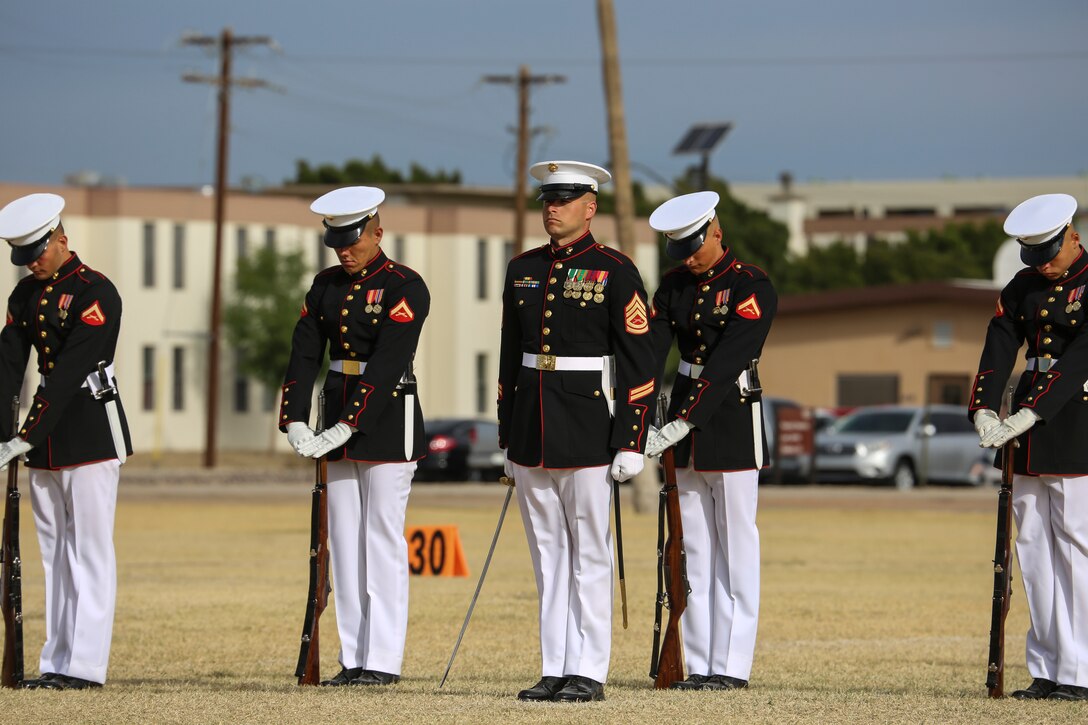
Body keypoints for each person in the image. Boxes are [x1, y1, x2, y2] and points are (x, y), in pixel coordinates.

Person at [497, 160, 656, 702]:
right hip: (531, 428)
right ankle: (555, 665)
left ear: (590, 207)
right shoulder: (522, 268)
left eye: (563, 200)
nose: (552, 208)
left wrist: (632, 439)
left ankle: (588, 669)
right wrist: (506, 435)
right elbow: (507, 359)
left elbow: (640, 361)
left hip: (588, 425)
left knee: (590, 554)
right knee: (547, 556)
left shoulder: (615, 270)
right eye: (547, 199)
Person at [279, 186, 429, 687]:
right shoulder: (324, 286)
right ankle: (354, 655)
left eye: (354, 239)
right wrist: (295, 418)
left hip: (386, 420)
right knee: (344, 542)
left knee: (381, 540)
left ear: (378, 232)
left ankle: (382, 659)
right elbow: (304, 353)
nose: (345, 250)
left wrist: (348, 424)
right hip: (336, 416)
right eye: (336, 241)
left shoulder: (405, 286)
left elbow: (387, 364)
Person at [643, 191, 777, 691]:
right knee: (692, 545)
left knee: (737, 545)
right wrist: (635, 409)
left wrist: (687, 418)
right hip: (682, 412)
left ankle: (732, 664)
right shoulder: (674, 284)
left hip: (730, 415)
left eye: (695, 245)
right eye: (680, 249)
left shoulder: (750, 285)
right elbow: (653, 348)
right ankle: (696, 661)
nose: (689, 257)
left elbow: (728, 361)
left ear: (716, 231)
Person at [0, 192, 132, 690]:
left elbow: (69, 373)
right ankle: (55, 662)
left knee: (90, 550)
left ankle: (85, 666)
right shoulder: (25, 295)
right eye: (23, 253)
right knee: (54, 552)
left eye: (38, 248)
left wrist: (24, 436)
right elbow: (9, 366)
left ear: (62, 239)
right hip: (45, 437)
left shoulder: (96, 292)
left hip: (89, 427)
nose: (32, 260)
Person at [971, 192, 1088, 702]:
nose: (1042, 266)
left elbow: (1080, 358)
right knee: (1034, 550)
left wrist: (1029, 412)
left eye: (1050, 252)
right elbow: (999, 343)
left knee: (1077, 551)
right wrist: (982, 405)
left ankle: (1081, 671)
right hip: (1026, 429)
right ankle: (1047, 668)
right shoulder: (1022, 286)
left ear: (1074, 235)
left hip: (1075, 420)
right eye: (1033, 255)